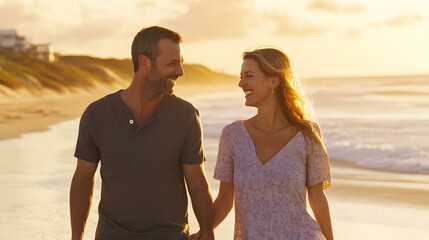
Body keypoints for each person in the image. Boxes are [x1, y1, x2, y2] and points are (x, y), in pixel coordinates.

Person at [70, 26, 214, 240]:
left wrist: (208, 230)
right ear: (144, 62)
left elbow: (196, 182)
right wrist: (76, 236)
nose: (180, 72)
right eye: (173, 63)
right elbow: (83, 180)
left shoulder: (186, 115)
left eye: (181, 63)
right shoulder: (97, 114)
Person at [192, 47, 333, 240]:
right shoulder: (233, 136)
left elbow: (317, 198)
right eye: (241, 76)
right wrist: (205, 231)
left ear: (273, 81)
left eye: (248, 76)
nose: (241, 83)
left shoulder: (307, 134)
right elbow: (225, 199)